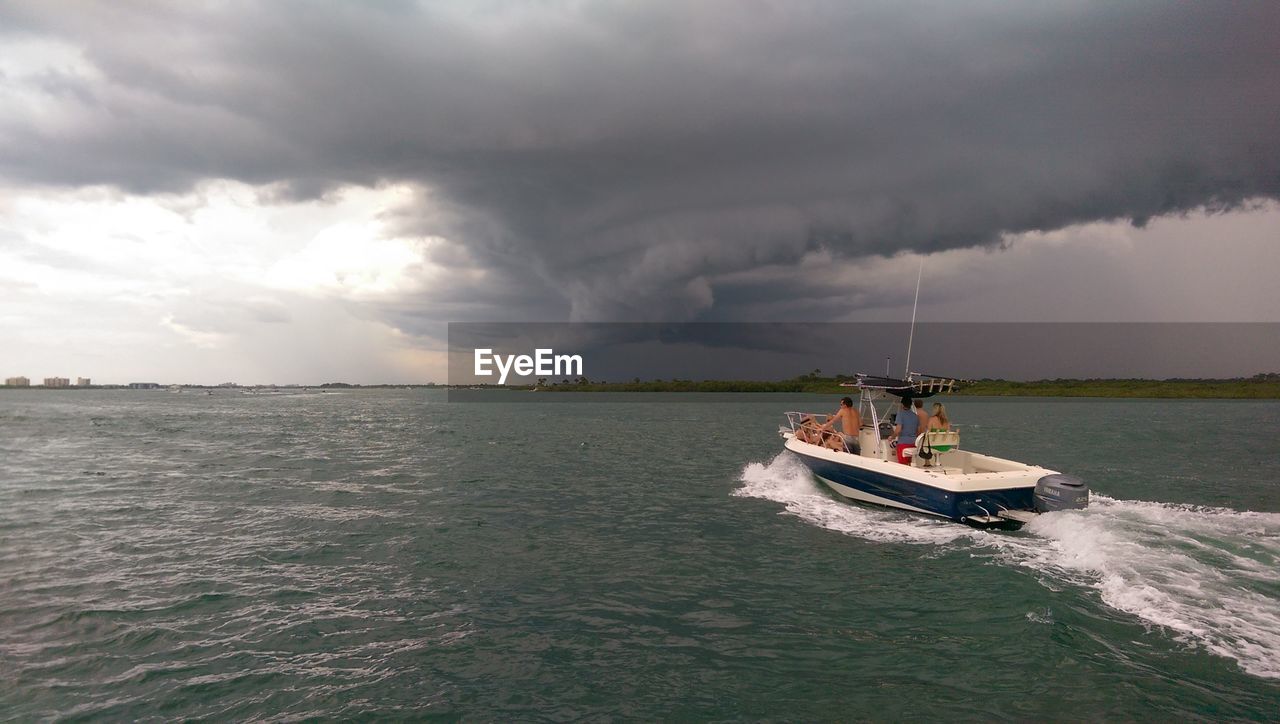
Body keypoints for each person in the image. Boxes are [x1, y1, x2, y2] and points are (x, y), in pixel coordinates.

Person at [893, 396, 928, 464]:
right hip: (913, 443)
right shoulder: (915, 416)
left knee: (902, 463)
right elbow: (918, 431)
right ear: (911, 405)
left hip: (903, 443)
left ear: (902, 404)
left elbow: (898, 430)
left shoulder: (900, 414)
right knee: (909, 462)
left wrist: (892, 437)